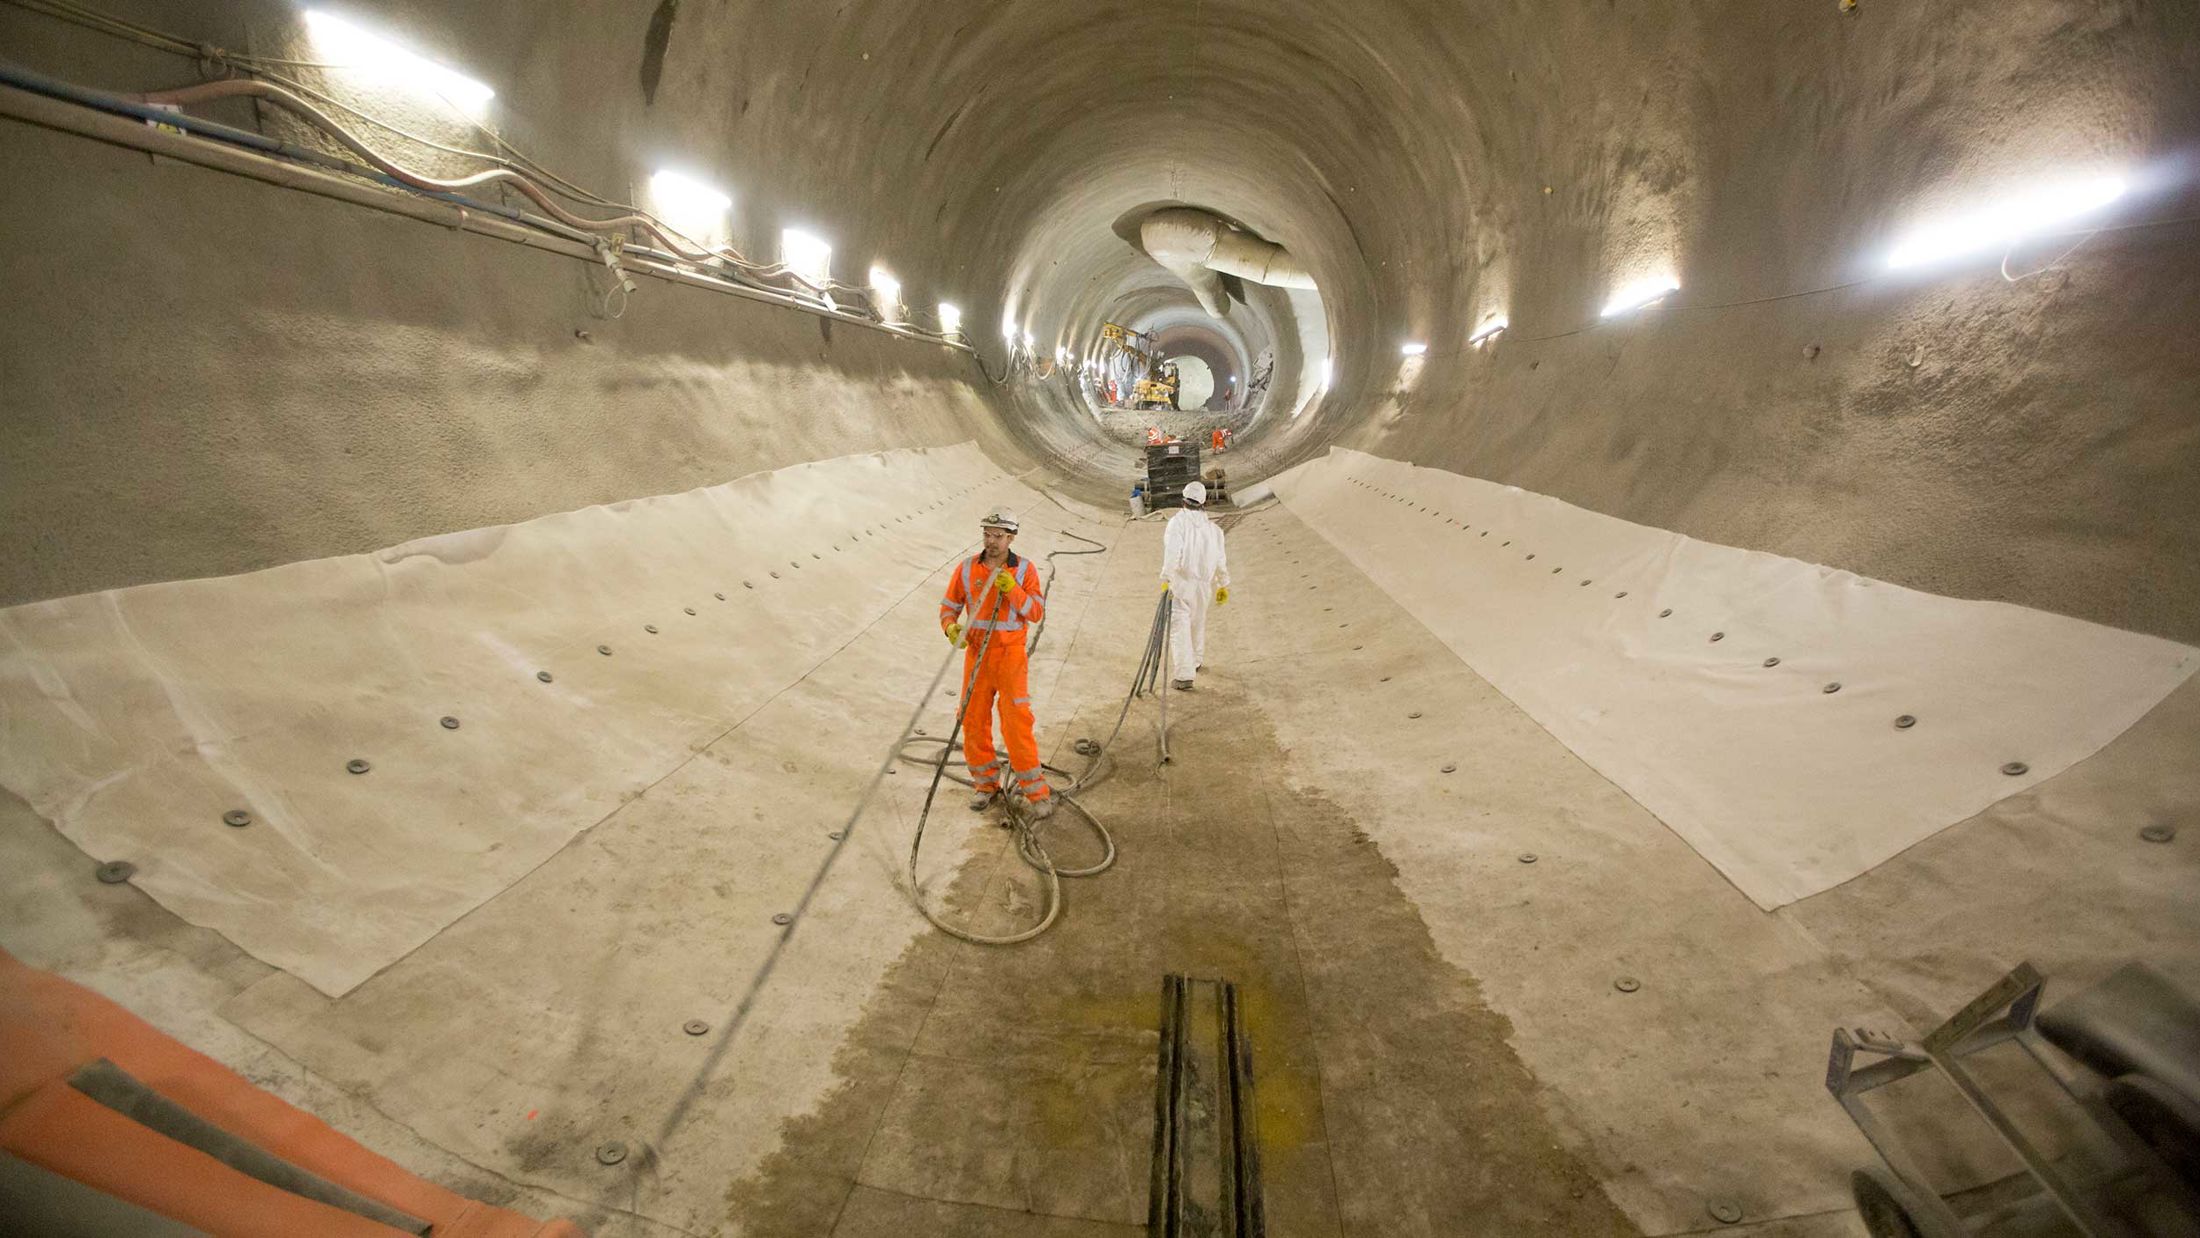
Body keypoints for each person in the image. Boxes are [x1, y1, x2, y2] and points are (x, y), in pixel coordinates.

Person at [939, 508, 1054, 819]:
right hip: (977, 654)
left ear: (1011, 538)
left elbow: (1034, 611)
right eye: (987, 535)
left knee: (1016, 722)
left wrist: (1012, 590)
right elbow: (949, 606)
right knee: (972, 718)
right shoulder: (966, 569)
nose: (991, 541)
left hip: (1009, 657)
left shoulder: (1025, 570)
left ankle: (1036, 792)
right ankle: (986, 784)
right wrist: (951, 627)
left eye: (998, 536)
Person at [1159, 480, 1229, 690]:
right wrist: (1223, 583)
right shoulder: (1214, 530)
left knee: (1179, 629)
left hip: (1182, 584)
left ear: (1183, 501)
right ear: (1203, 504)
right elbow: (1220, 559)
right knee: (1198, 623)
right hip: (1203, 586)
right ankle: (1196, 661)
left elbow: (1173, 554)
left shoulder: (1177, 524)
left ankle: (1184, 675)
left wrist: (1166, 578)